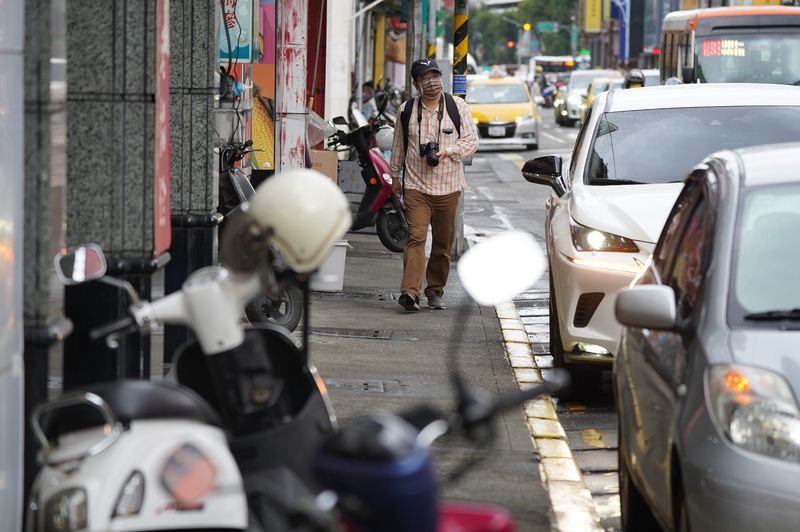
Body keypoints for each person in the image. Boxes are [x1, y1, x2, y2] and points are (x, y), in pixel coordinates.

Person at [389, 58, 479, 311]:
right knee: (416, 236)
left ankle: (435, 290)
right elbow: (398, 144)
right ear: (416, 84)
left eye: (435, 76)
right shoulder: (406, 110)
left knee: (442, 243)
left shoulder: (456, 105)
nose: (431, 83)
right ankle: (410, 292)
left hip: (448, 187)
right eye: (425, 79)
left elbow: (472, 141)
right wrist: (395, 176)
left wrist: (448, 151)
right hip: (416, 185)